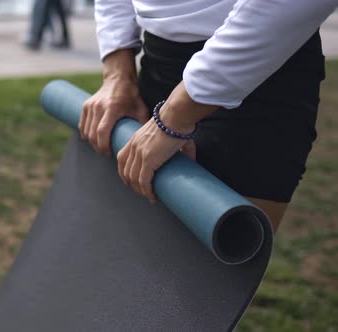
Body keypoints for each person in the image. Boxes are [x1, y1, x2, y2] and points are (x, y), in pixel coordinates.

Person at [79, 0, 337, 231]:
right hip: (158, 63)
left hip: (255, 63)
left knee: (211, 274)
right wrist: (117, 72)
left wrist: (175, 117)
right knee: (133, 253)